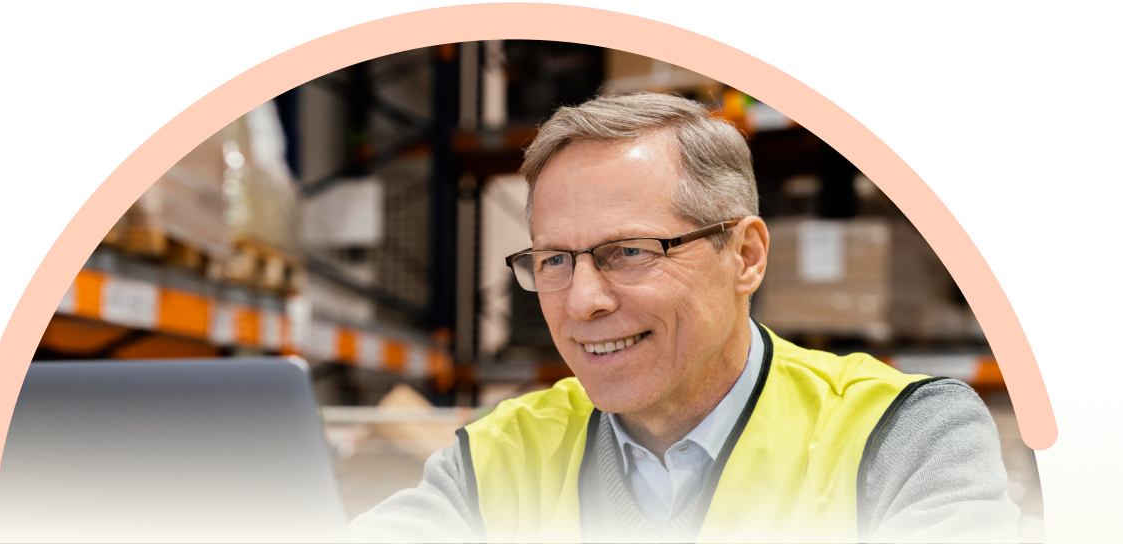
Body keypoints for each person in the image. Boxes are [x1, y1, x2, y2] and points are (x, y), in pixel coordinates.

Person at [347, 92, 1020, 543]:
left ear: (747, 256)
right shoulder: (498, 460)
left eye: (629, 252)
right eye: (554, 261)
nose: (583, 301)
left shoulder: (903, 440)